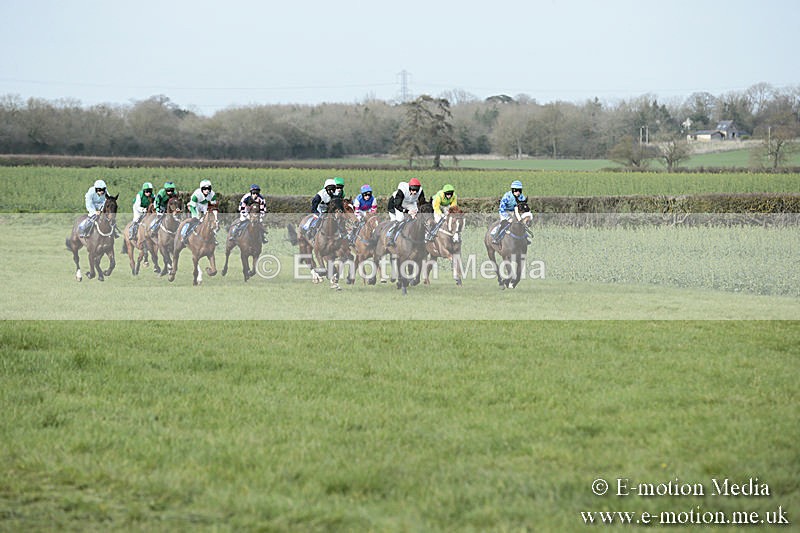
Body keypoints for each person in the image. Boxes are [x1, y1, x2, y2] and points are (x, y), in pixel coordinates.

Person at [386, 178, 425, 246]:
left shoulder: (420, 191)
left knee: (418, 218)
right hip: (399, 203)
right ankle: (391, 237)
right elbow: (397, 205)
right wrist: (407, 211)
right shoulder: (402, 190)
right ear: (409, 188)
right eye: (413, 190)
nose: (415, 192)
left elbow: (422, 203)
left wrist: (417, 212)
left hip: (411, 203)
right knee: (400, 219)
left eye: (416, 190)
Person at [181, 179, 217, 244]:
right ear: (201, 189)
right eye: (205, 189)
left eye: (209, 189)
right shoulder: (196, 195)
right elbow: (192, 206)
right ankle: (185, 235)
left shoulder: (212, 194)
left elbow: (212, 206)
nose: (207, 191)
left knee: (209, 221)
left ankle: (214, 237)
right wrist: (197, 216)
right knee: (195, 219)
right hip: (195, 205)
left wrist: (206, 214)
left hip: (205, 205)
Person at [492, 180, 527, 244]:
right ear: (513, 190)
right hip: (505, 212)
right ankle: (496, 237)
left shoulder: (522, 197)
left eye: (519, 190)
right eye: (516, 190)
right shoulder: (507, 196)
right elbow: (502, 208)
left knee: (522, 224)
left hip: (515, 212)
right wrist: (508, 218)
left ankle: (526, 237)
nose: (518, 192)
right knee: (504, 223)